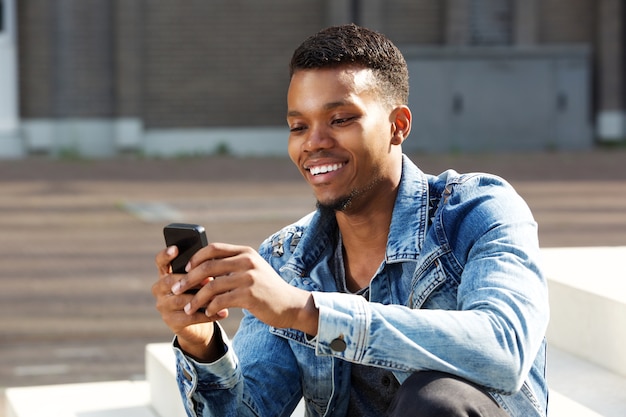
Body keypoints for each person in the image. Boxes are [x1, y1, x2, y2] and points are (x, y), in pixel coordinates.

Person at [153, 24, 549, 417]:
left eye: (340, 119)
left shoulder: (476, 211)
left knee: (436, 399)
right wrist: (202, 344)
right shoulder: (287, 260)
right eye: (298, 126)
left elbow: (504, 350)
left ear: (398, 126)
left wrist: (307, 312)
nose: (314, 142)